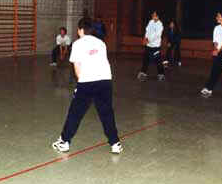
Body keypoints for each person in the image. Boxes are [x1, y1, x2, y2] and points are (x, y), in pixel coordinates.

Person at [52, 17, 123, 154]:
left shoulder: (77, 44)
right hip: (105, 81)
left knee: (75, 113)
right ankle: (115, 143)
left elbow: (77, 69)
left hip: (87, 81)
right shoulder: (101, 43)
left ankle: (64, 142)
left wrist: (80, 86)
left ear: (80, 30)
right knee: (106, 112)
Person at [137, 11, 165, 81]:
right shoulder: (150, 22)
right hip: (148, 45)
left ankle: (161, 74)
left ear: (158, 16)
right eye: (152, 15)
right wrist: (145, 38)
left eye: (154, 15)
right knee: (145, 59)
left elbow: (157, 35)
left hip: (155, 47)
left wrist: (149, 40)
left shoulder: (160, 25)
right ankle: (143, 73)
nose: (153, 16)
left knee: (158, 60)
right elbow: (147, 30)